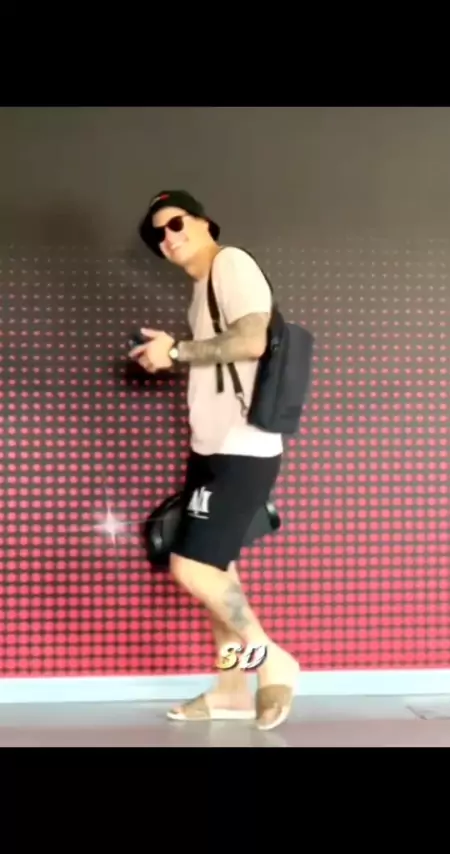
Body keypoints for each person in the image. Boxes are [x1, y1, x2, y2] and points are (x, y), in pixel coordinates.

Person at [130, 190, 299, 730]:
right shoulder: (200, 292)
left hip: (242, 447)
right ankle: (230, 688)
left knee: (193, 568)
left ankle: (272, 660)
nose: (168, 237)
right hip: (212, 448)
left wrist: (177, 351)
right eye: (158, 234)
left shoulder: (231, 265)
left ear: (204, 222)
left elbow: (252, 341)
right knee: (220, 571)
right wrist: (171, 353)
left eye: (176, 223)